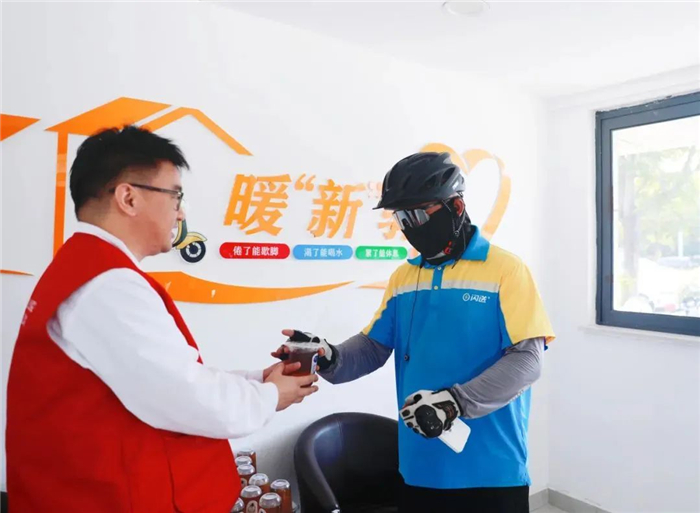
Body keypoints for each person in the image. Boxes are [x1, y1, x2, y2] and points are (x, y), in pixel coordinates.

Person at [6, 126, 318, 513]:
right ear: (129, 197)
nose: (180, 212)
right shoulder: (108, 286)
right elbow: (190, 398)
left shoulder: (90, 270)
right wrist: (270, 396)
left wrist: (258, 380)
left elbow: (169, 378)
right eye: (175, 195)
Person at [274, 152, 555, 513]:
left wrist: (454, 402)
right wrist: (330, 355)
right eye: (400, 217)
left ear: (456, 207)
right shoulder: (404, 277)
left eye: (417, 215)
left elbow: (528, 361)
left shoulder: (506, 270)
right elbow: (373, 347)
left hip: (491, 468)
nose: (408, 227)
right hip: (419, 466)